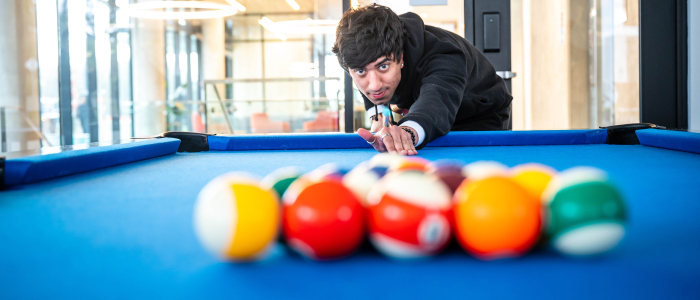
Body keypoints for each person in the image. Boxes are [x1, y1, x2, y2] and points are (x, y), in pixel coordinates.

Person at [332, 4, 512, 156]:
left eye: (383, 66)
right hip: (426, 120)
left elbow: (436, 100)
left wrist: (406, 132)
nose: (375, 84)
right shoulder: (363, 59)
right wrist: (380, 115)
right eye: (361, 71)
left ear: (400, 57)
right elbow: (369, 82)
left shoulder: (442, 54)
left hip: (478, 115)